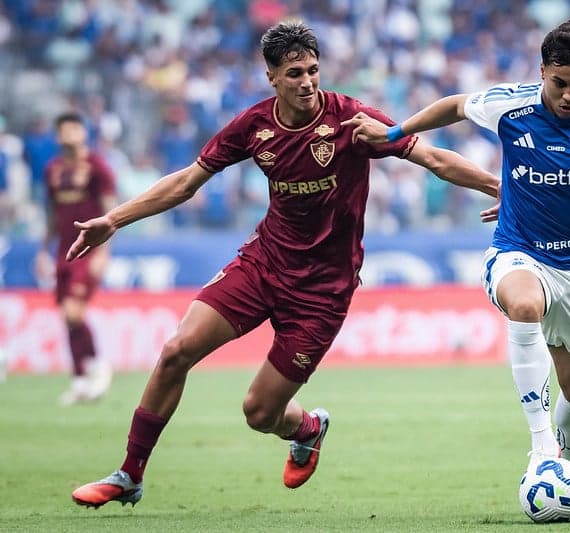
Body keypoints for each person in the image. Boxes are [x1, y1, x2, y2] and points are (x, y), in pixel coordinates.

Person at [69, 20, 499, 508]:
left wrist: (499, 187)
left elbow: (434, 158)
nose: (307, 82)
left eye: (313, 70)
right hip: (264, 263)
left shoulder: (352, 119)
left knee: (259, 412)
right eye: (295, 73)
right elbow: (186, 183)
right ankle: (130, 474)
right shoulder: (253, 126)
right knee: (176, 350)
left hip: (323, 292)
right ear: (271, 76)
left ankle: (308, 427)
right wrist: (114, 219)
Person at [344, 19, 570, 513]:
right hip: (517, 250)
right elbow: (453, 106)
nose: (569, 96)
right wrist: (393, 132)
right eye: (560, 83)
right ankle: (542, 448)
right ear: (542, 70)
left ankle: (567, 470)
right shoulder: (511, 104)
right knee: (524, 305)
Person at [36, 112, 116, 406]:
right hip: (62, 251)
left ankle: (97, 366)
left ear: (83, 132)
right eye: (63, 130)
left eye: (73, 128)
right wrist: (43, 250)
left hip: (88, 249)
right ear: (57, 136)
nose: (68, 134)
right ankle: (80, 380)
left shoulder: (97, 167)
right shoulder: (52, 169)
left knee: (74, 313)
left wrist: (104, 252)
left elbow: (111, 213)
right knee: (66, 317)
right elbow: (52, 215)